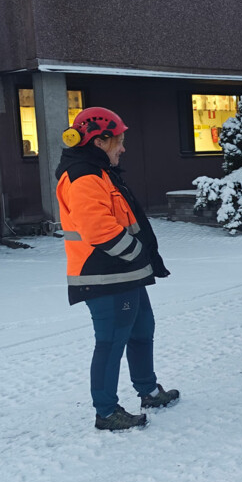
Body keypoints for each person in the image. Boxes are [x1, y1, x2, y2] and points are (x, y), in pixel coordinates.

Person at [55, 107, 178, 431]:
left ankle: (148, 390)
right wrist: (139, 254)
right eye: (118, 141)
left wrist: (140, 261)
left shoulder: (100, 172)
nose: (123, 148)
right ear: (99, 141)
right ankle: (107, 411)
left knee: (142, 331)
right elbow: (100, 231)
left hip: (126, 273)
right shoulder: (84, 177)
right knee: (110, 342)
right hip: (106, 275)